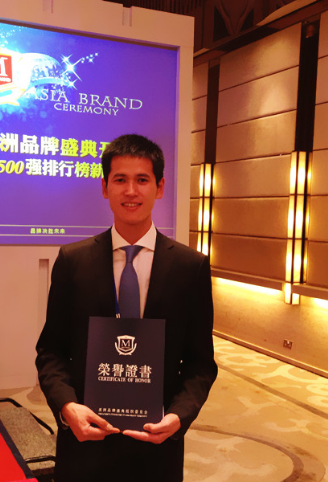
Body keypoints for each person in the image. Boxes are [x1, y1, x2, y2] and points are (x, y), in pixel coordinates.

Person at [36, 134, 217, 481]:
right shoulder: (73, 261)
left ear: (159, 187)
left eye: (142, 180)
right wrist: (67, 407)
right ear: (105, 187)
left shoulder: (189, 267)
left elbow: (200, 363)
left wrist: (179, 416)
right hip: (85, 440)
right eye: (120, 180)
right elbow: (51, 351)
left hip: (157, 444)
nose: (131, 191)